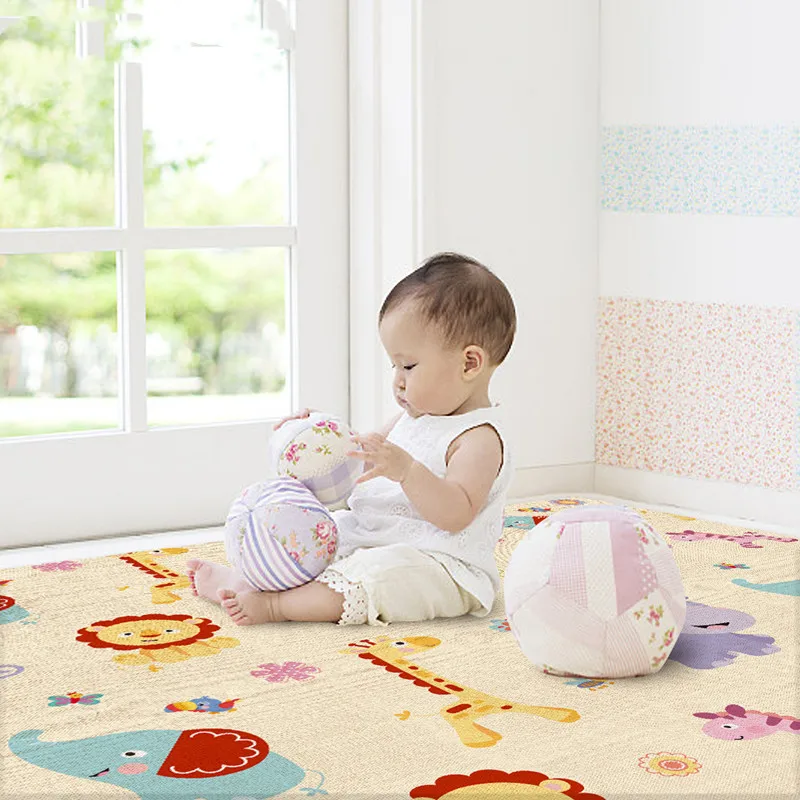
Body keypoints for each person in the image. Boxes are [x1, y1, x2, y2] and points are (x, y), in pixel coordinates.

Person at [187, 251, 517, 627]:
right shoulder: (414, 417)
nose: (398, 380)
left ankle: (276, 606)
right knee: (321, 539)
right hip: (372, 536)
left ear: (469, 363)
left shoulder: (478, 439)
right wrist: (314, 436)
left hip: (439, 565)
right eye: (394, 365)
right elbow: (356, 456)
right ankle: (252, 581)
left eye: (409, 366)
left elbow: (456, 515)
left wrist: (408, 471)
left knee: (378, 576)